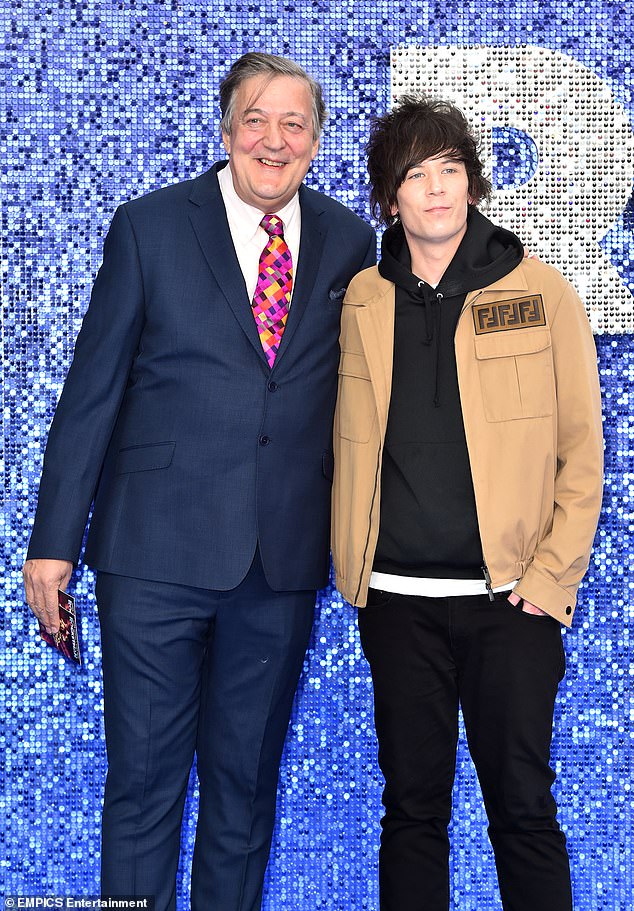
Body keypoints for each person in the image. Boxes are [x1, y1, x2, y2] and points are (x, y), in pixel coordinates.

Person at [23, 52, 375, 911]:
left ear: (317, 141)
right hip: (153, 557)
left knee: (245, 795)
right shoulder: (148, 226)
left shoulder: (349, 241)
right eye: (256, 119)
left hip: (280, 565)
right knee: (142, 790)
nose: (273, 139)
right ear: (225, 130)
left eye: (294, 123)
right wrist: (51, 545)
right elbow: (90, 391)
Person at [331, 97, 603, 911]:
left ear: (474, 184)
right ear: (391, 199)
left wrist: (548, 585)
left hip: (510, 604)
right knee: (411, 814)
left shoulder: (543, 291)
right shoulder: (360, 300)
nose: (437, 190)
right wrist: (357, 573)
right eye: (416, 175)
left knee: (522, 811)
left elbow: (582, 453)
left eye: (450, 170)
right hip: (397, 603)